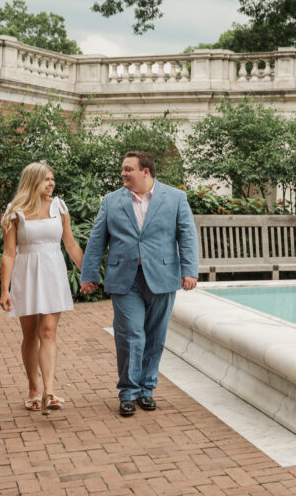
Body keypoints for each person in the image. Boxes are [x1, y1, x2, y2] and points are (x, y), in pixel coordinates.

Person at [79, 151, 199, 416]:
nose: (123, 173)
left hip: (163, 276)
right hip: (125, 278)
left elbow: (187, 235)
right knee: (131, 333)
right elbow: (97, 239)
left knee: (155, 335)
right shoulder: (111, 201)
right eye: (123, 169)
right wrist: (88, 274)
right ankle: (128, 391)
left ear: (146, 172)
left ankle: (146, 389)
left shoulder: (175, 198)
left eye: (128, 169)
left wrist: (190, 270)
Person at [0, 162, 83, 415]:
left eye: (52, 179)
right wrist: (5, 289)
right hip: (26, 274)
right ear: (33, 181)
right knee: (30, 335)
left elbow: (69, 243)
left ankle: (49, 391)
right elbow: (9, 253)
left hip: (53, 272)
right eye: (46, 179)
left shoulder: (60, 207)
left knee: (48, 331)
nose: (51, 183)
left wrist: (87, 273)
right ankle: (33, 390)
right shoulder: (14, 212)